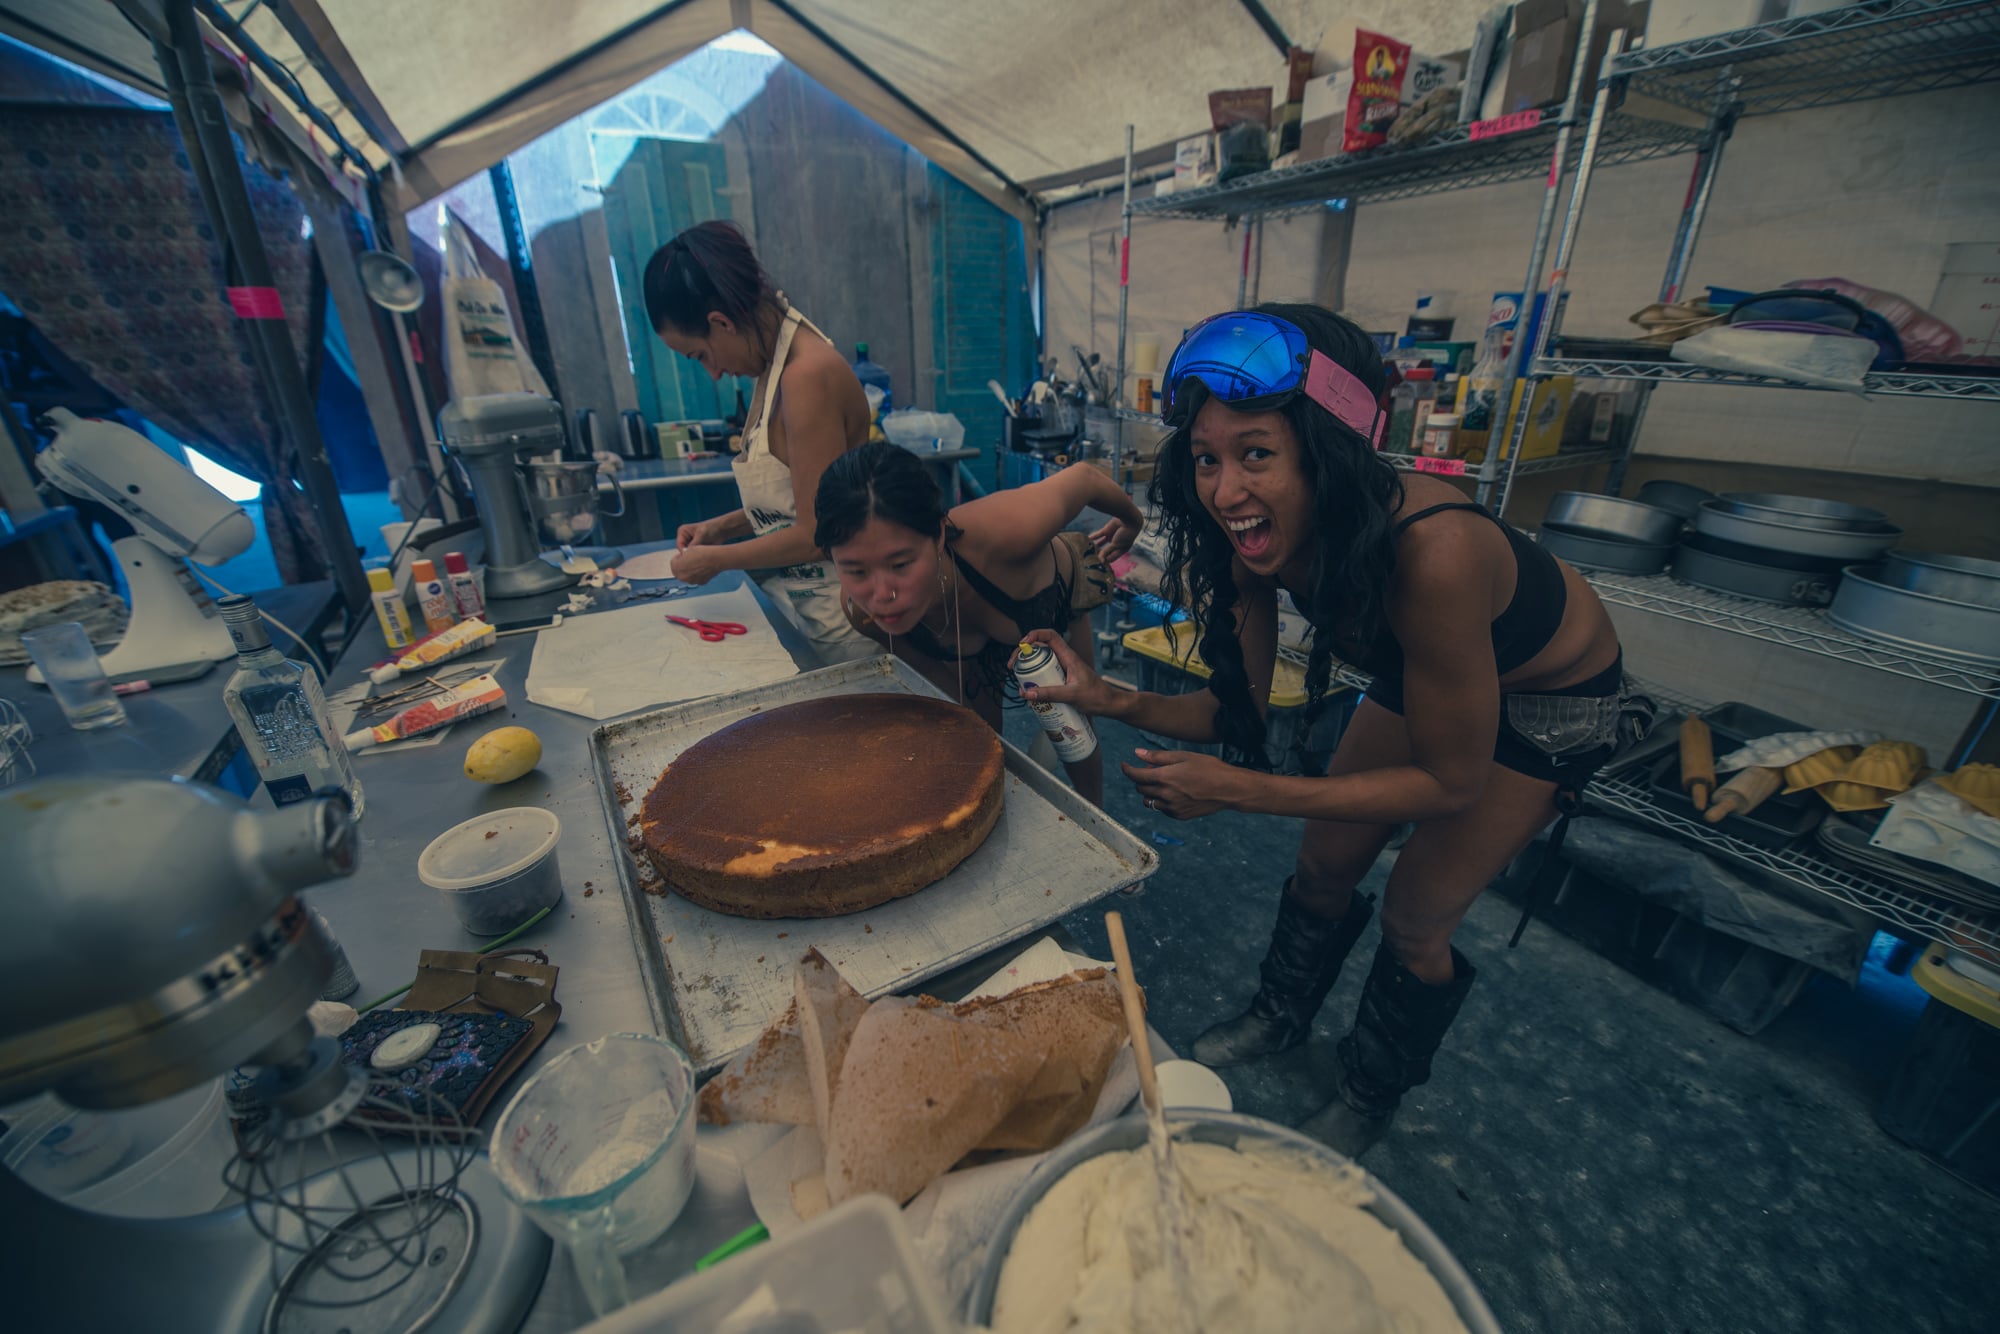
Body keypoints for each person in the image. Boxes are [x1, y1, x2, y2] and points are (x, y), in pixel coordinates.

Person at [1019, 304, 1649, 1156]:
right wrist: (1109, 699)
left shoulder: (1436, 554)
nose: (1225, 492)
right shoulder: (1250, 540)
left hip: (1549, 703)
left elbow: (1451, 782)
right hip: (1428, 667)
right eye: (1206, 458)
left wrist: (1245, 790)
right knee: (1323, 864)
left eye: (1257, 455)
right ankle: (1281, 1013)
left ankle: (1369, 1088)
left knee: (1416, 914)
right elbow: (1233, 711)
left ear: (1332, 450)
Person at [814, 441, 1144, 805]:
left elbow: (1084, 478)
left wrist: (1132, 522)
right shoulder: (864, 615)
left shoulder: (1012, 529)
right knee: (980, 736)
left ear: (939, 533)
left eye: (901, 565)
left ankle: (1094, 813)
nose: (882, 595)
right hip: (969, 644)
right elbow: (948, 692)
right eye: (856, 571)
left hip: (1049, 601)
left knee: (1075, 729)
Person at [645, 221, 875, 664]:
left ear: (721, 323)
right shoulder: (773, 362)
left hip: (844, 624)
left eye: (701, 355)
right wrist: (721, 528)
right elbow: (797, 498)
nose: (713, 373)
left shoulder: (806, 377)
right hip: (809, 612)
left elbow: (816, 534)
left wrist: (718, 560)